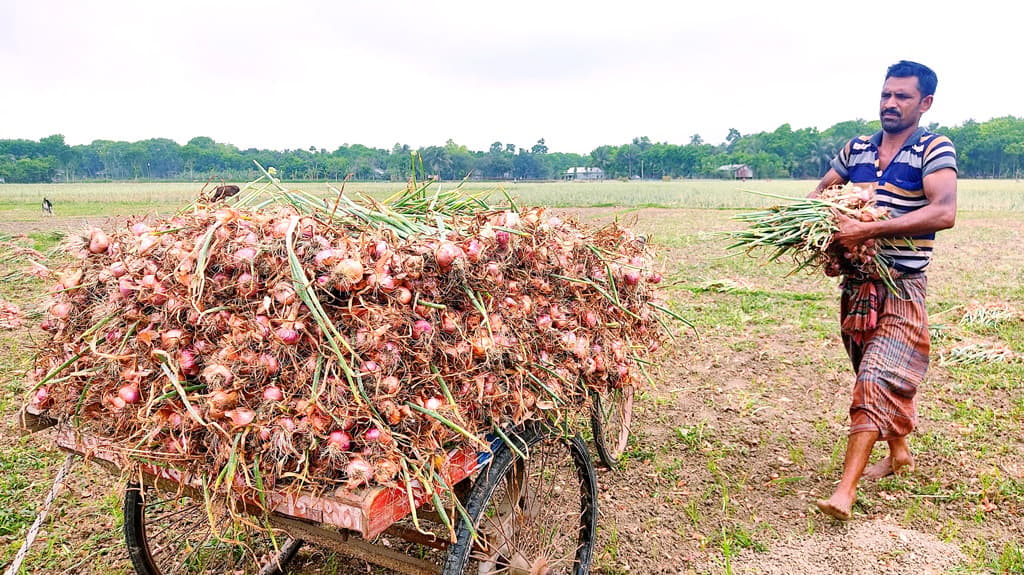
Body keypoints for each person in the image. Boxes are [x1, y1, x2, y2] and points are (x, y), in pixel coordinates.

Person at [811, 60, 958, 520]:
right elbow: (820, 196)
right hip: (858, 288)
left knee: (875, 380)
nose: (890, 104)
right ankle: (899, 454)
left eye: (902, 97)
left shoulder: (933, 148)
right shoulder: (856, 148)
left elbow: (944, 211)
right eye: (886, 94)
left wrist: (873, 227)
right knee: (868, 371)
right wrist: (832, 218)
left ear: (925, 103)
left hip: (902, 288)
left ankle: (844, 491)